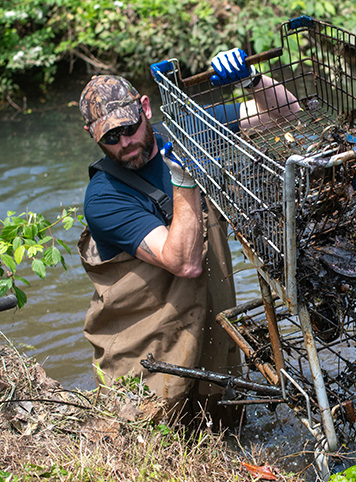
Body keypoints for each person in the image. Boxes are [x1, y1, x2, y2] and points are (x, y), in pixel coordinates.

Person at [78, 48, 300, 428]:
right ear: (93, 136)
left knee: (229, 437)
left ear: (145, 108)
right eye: (110, 137)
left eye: (129, 128)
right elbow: (184, 261)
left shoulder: (188, 135)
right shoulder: (103, 198)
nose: (124, 142)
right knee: (159, 454)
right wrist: (183, 176)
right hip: (148, 363)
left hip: (212, 344)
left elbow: (287, 116)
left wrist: (252, 80)